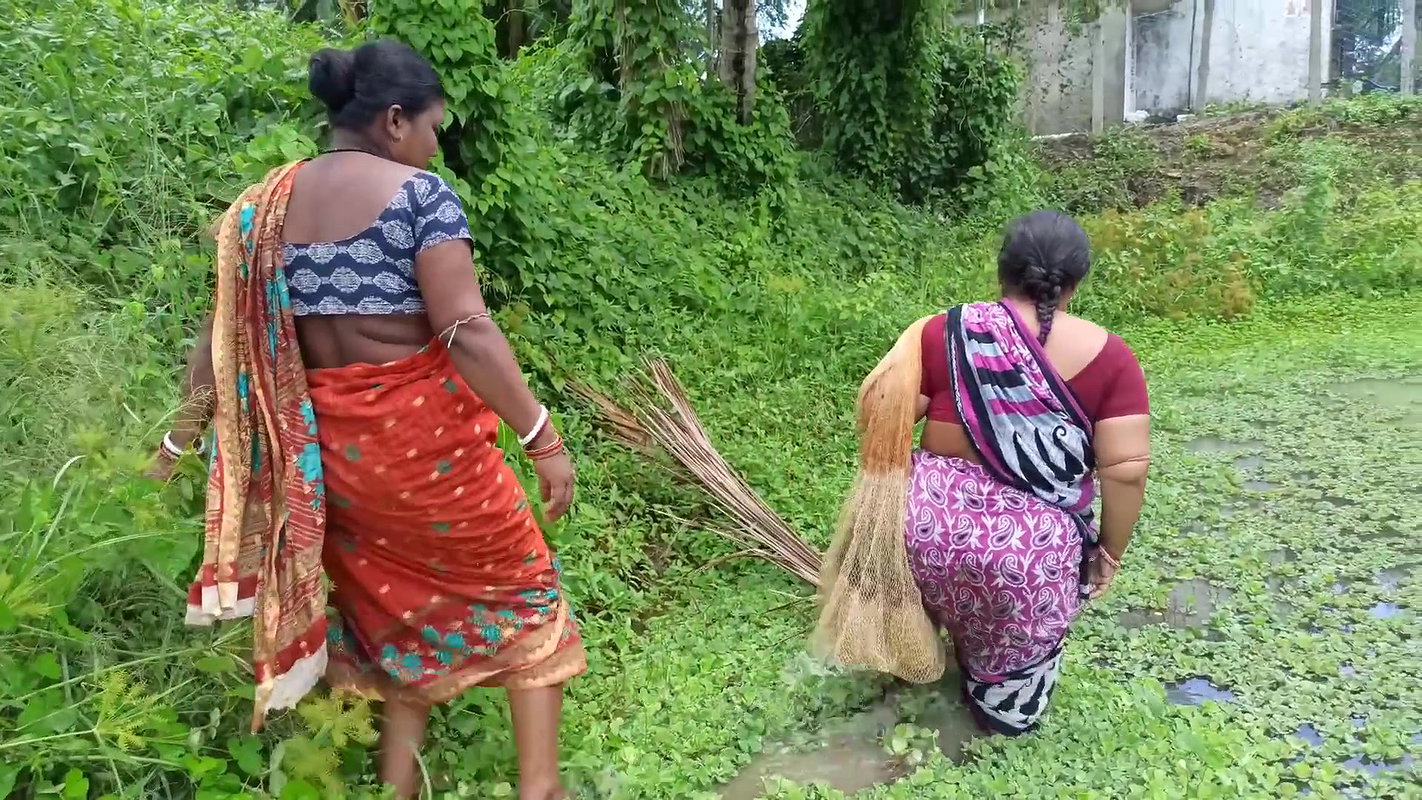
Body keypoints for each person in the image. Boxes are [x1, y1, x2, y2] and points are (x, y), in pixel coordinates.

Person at [149, 39, 584, 800]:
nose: (435, 144)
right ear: (393, 120)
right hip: (431, 461)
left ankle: (396, 790)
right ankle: (539, 790)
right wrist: (542, 435)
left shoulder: (258, 212)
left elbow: (221, 347)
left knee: (397, 622)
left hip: (336, 475)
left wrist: (170, 447)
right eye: (432, 127)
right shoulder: (421, 197)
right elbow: (464, 329)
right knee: (529, 596)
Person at [814, 210, 1150, 736]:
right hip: (1027, 556)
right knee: (1010, 701)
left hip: (920, 533)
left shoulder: (943, 332)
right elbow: (1126, 472)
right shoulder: (1111, 357)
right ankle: (998, 705)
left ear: (1002, 271)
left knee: (946, 594)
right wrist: (1107, 553)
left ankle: (926, 652)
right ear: (1077, 282)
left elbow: (886, 408)